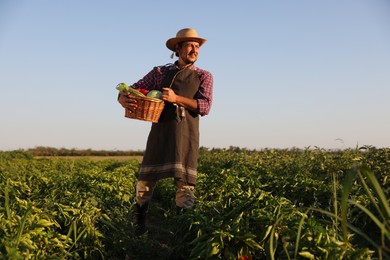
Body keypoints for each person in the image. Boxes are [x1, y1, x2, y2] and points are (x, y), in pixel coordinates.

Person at [118, 28, 213, 235]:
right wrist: (122, 98)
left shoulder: (204, 76)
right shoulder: (159, 73)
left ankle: (182, 233)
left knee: (185, 184)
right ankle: (140, 225)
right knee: (146, 180)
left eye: (197, 46)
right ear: (178, 47)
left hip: (186, 134)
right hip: (161, 131)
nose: (194, 50)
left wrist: (176, 98)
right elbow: (134, 88)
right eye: (190, 45)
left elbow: (205, 106)